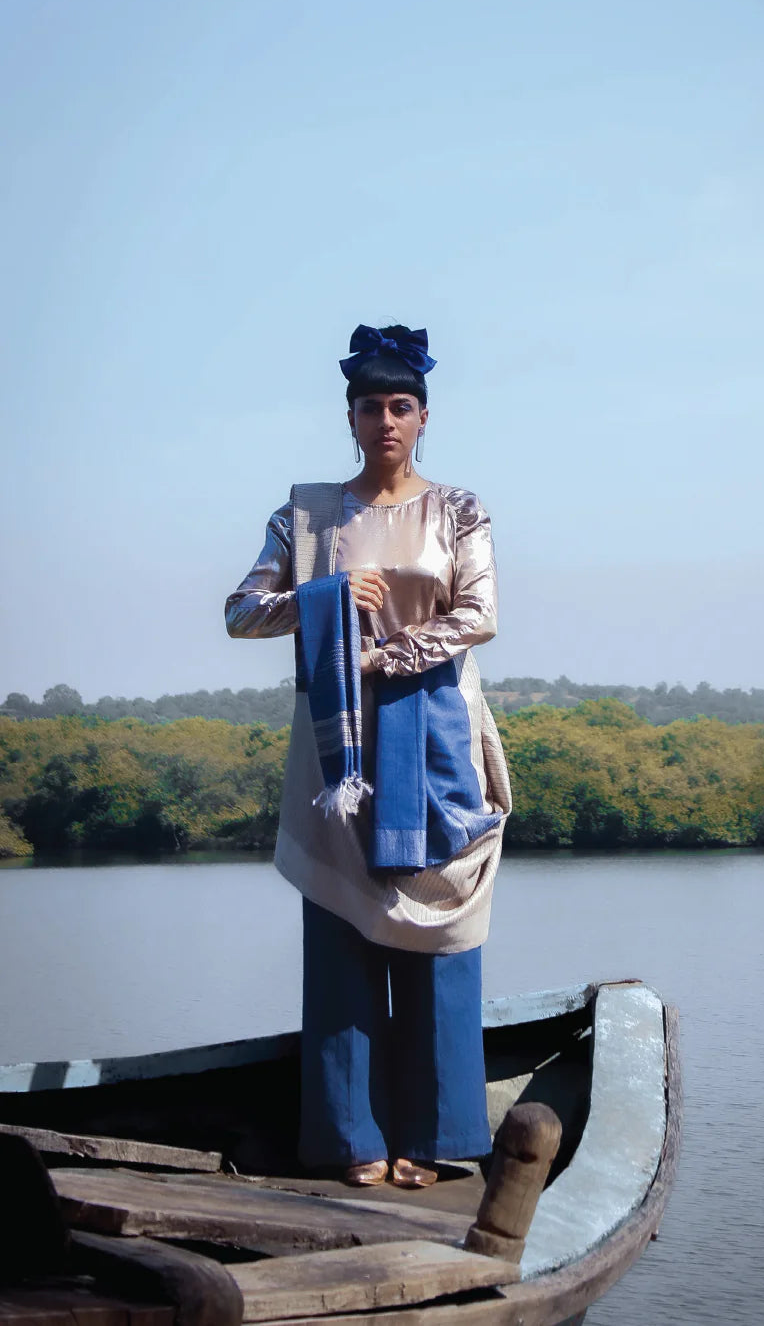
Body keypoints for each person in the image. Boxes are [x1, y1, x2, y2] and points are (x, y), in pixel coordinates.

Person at [225, 324, 511, 1189]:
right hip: (336, 753)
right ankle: (354, 1140)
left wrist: (389, 655)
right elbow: (241, 611)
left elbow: (479, 614)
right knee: (343, 929)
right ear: (349, 417)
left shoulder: (459, 510)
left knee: (440, 928)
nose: (385, 419)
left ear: (424, 417)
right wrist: (327, 594)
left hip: (438, 737)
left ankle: (436, 1137)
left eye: (401, 405)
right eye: (369, 406)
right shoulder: (307, 516)